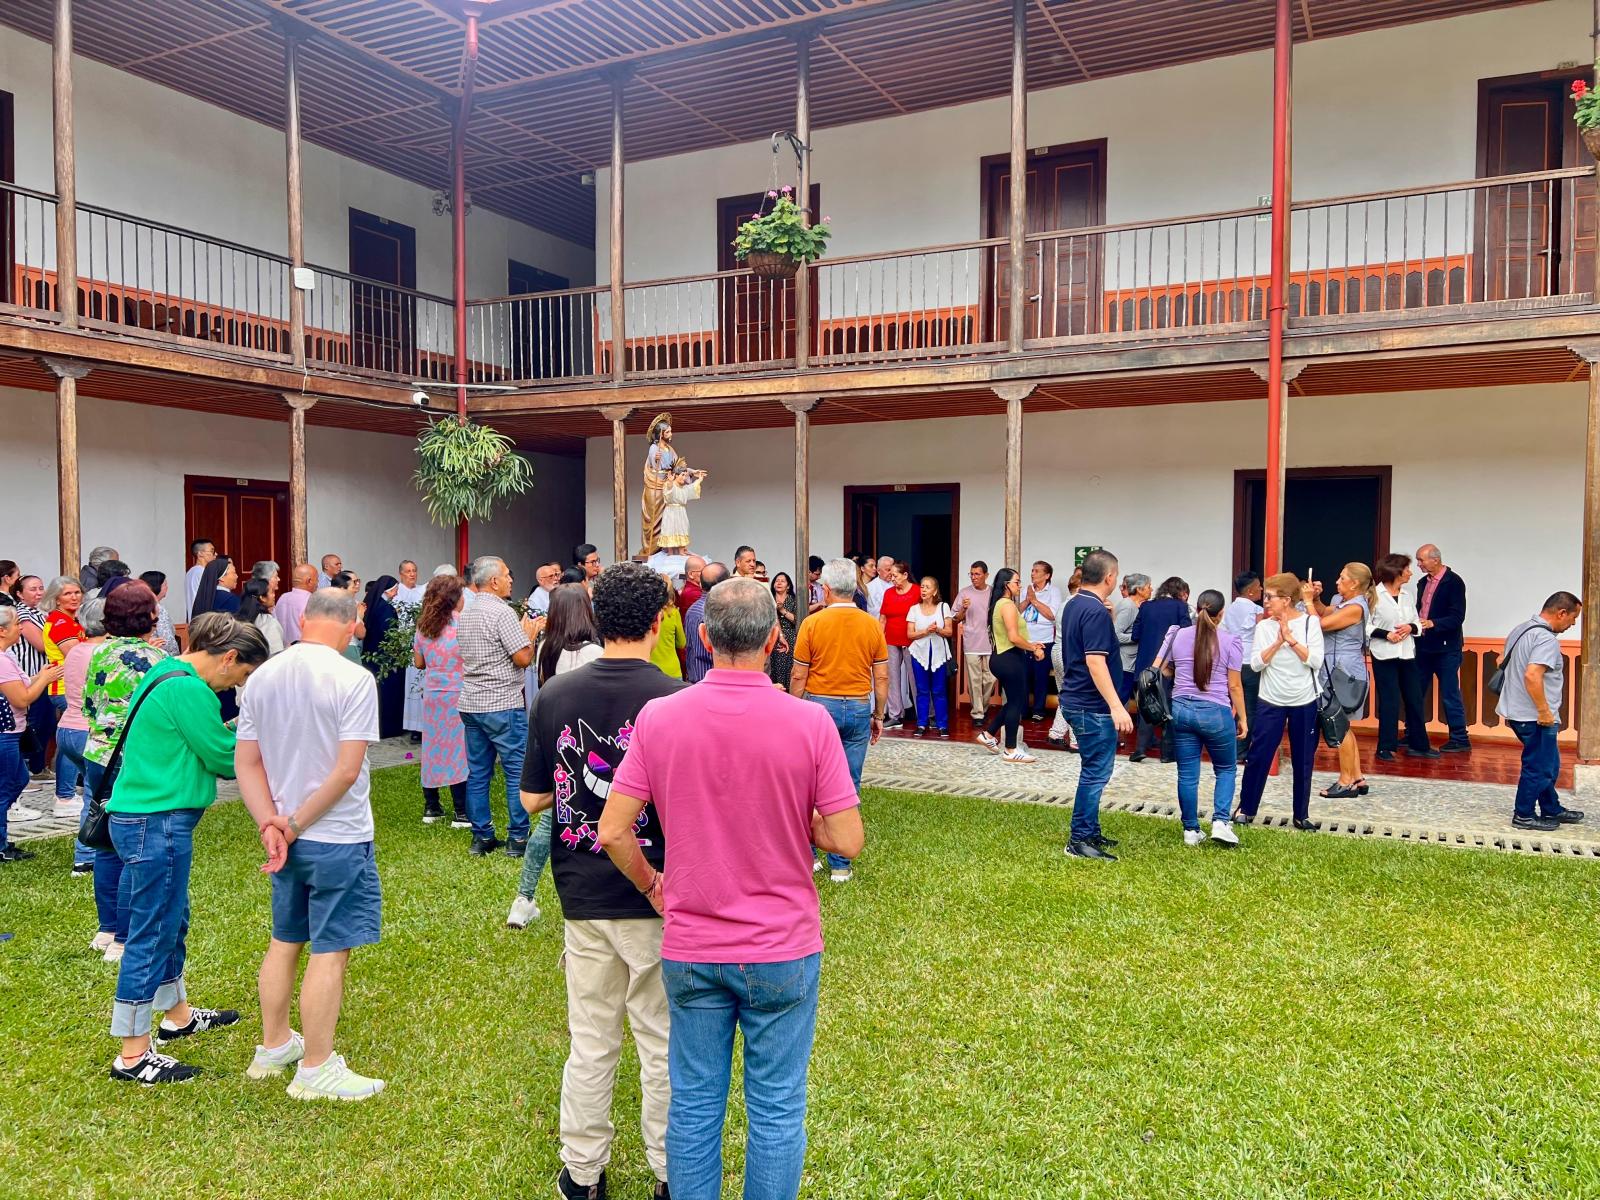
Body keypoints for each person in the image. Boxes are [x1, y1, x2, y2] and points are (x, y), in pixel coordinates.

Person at [600, 577, 864, 1200]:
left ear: (703, 636)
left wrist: (652, 885)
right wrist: (799, 818)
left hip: (692, 943)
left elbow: (612, 830)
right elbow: (848, 839)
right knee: (776, 1106)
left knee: (694, 1104)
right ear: (775, 640)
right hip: (782, 945)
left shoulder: (661, 716)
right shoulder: (809, 722)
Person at [519, 563, 684, 1199]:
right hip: (660, 890)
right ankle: (671, 1172)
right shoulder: (678, 699)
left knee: (591, 1041)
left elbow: (532, 798)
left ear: (595, 616)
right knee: (662, 1041)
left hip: (583, 893)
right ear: (659, 620)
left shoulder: (555, 695)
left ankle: (583, 1173)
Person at [106, 612, 269, 1086]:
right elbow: (224, 757)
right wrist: (264, 733)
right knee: (153, 930)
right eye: (242, 675)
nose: (236, 686)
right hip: (157, 821)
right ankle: (133, 1054)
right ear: (230, 657)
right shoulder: (191, 690)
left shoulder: (166, 669)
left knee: (171, 919)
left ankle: (177, 1016)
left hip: (144, 818)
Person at [236, 587, 386, 1101]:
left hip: (286, 836)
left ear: (304, 621)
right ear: (350, 624)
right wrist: (293, 823)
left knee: (285, 940)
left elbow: (246, 762)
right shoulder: (353, 677)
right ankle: (316, 1066)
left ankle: (274, 1044)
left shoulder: (264, 675)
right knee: (331, 949)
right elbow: (346, 771)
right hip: (336, 835)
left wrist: (270, 824)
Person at [82, 581, 170, 961]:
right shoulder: (155, 659)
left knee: (107, 842)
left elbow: (89, 703)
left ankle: (105, 930)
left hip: (97, 752)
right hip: (133, 757)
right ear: (148, 616)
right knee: (135, 845)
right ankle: (122, 937)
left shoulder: (99, 651)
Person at [790, 558, 889, 885]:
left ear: (827, 589)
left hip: (820, 706)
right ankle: (841, 864)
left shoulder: (812, 623)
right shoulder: (871, 625)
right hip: (859, 705)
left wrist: (794, 709)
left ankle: (809, 856)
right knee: (848, 783)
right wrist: (878, 714)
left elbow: (799, 674)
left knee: (808, 782)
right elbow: (881, 677)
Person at [456, 556, 541, 857]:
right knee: (515, 770)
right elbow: (522, 658)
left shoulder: (465, 611)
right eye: (507, 575)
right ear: (494, 581)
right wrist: (530, 636)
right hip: (502, 702)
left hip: (471, 701)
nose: (511, 579)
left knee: (478, 773)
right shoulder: (502, 612)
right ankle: (518, 839)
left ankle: (482, 837)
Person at [1056, 551, 1133, 858]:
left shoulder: (1075, 603)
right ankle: (1079, 839)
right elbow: (1095, 662)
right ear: (1109, 577)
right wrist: (1116, 706)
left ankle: (1090, 831)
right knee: (1096, 773)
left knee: (1094, 770)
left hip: (1077, 698)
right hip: (1092, 704)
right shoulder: (1094, 610)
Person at [1234, 573, 1325, 832]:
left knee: (1303, 759)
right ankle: (1246, 808)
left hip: (1304, 700)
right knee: (1258, 755)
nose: (1265, 601)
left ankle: (1301, 814)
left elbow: (1315, 661)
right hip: (1271, 700)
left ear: (1286, 600)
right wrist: (1277, 642)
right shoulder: (1264, 627)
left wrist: (1291, 639)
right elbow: (1255, 664)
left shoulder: (1310, 623)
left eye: (1270, 597)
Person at [1162, 590, 1245, 847]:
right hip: (1216, 711)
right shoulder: (1231, 641)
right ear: (1221, 614)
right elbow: (1234, 686)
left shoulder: (1178, 635)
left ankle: (1190, 830)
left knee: (1187, 774)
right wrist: (1243, 717)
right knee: (1226, 768)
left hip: (1181, 709)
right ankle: (1220, 822)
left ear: (1197, 609)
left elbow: (1164, 668)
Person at [1497, 592, 1585, 832]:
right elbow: (1532, 675)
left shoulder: (1521, 629)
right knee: (1539, 767)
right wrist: (1544, 711)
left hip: (1517, 711)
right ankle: (1523, 815)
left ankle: (1551, 808)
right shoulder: (1546, 639)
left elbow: (1500, 660)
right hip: (1534, 716)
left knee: (1548, 763)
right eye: (1573, 618)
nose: (1573, 624)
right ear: (1562, 613)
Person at [0, 607, 64, 865]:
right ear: (2, 631)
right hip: (5, 733)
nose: (21, 627)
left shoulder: (8, 656)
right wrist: (45, 679)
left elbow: (22, 685)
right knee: (6, 786)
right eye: (17, 623)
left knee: (18, 780)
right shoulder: (2, 661)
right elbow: (22, 698)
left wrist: (40, 676)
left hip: (13, 731)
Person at [1309, 563, 1376, 799]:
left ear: (1354, 583)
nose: (1337, 581)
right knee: (1343, 725)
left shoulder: (1356, 607)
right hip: (1336, 669)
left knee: (1339, 726)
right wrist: (1316, 600)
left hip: (1344, 672)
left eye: (1342, 578)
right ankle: (1357, 777)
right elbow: (1325, 612)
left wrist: (1306, 601)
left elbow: (1319, 624)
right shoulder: (1342, 602)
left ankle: (1346, 781)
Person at [413, 575, 471, 826]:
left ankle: (432, 806)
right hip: (458, 692)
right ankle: (461, 811)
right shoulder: (463, 624)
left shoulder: (423, 626)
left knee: (432, 748)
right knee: (459, 751)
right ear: (454, 598)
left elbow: (419, 662)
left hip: (433, 693)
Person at [976, 568, 1048, 765]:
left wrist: (1031, 644)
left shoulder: (1000, 604)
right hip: (1009, 659)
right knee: (1017, 703)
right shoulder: (1007, 605)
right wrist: (1034, 648)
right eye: (1017, 582)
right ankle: (1010, 749)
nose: (1020, 586)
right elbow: (1014, 637)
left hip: (1004, 657)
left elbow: (1014, 637)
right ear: (1006, 584)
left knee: (1014, 701)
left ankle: (988, 735)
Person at [57, 598, 106, 876]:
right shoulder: (103, 653)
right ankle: (86, 857)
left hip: (67, 729)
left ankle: (88, 854)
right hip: (88, 730)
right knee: (95, 795)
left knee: (93, 791)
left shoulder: (76, 649)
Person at [1370, 554, 1434, 764]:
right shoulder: (1374, 595)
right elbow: (1365, 626)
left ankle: (1420, 745)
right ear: (1395, 571)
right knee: (1389, 701)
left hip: (1407, 653)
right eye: (1406, 569)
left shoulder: (1407, 594)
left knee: (1415, 699)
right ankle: (1385, 747)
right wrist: (1386, 634)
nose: (1410, 572)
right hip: (1384, 654)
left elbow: (1416, 622)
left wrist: (1410, 627)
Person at [1413, 543, 1471, 753]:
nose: (1418, 564)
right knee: (1415, 691)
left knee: (1450, 694)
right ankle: (1413, 734)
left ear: (1435, 560)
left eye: (1421, 560)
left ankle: (1460, 738)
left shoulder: (1454, 582)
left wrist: (1433, 623)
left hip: (1447, 649)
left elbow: (1457, 617)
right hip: (1423, 646)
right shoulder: (1422, 582)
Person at [1128, 577, 1191, 763]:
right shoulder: (1180, 607)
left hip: (1145, 663)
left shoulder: (1146, 606)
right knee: (1167, 705)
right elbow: (1187, 634)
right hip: (1168, 665)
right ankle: (1166, 753)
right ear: (1180, 591)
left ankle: (1140, 748)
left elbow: (1135, 634)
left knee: (1147, 704)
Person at [1220, 571, 1263, 763]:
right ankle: (1242, 751)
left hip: (1232, 661)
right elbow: (1262, 633)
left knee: (1232, 705)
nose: (1261, 589)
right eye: (1259, 586)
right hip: (1250, 662)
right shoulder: (1256, 610)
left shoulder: (1229, 609)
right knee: (1250, 709)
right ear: (1251, 591)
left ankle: (1227, 746)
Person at [358, 575, 405, 740]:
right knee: (388, 693)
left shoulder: (372, 605)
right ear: (388, 590)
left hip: (371, 654)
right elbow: (388, 634)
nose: (396, 593)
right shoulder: (386, 608)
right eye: (395, 590)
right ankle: (389, 727)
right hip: (386, 657)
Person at [907, 576, 953, 738]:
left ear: (934, 591)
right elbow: (910, 634)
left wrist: (937, 630)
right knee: (922, 690)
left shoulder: (943, 607)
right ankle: (921, 724)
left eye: (927, 587)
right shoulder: (914, 609)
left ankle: (942, 725)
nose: (923, 590)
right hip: (919, 653)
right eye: (922, 586)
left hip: (938, 653)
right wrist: (926, 631)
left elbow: (949, 631)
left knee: (939, 690)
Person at [952, 561, 994, 722]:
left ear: (986, 575)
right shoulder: (964, 593)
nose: (974, 577)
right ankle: (978, 713)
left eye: (977, 574)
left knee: (990, 678)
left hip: (990, 642)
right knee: (974, 680)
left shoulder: (993, 592)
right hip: (972, 642)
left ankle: (983, 707)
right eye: (971, 574)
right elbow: (955, 618)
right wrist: (964, 608)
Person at [1020, 561, 1062, 721]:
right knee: (1023, 677)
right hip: (1025, 641)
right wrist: (1027, 599)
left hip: (1044, 641)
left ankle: (1038, 710)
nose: (1032, 574)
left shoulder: (1053, 591)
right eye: (1032, 570)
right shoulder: (1026, 590)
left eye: (1037, 571)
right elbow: (1017, 612)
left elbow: (1052, 615)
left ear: (1047, 575)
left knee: (1040, 677)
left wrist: (1034, 600)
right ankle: (1023, 710)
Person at [878, 561, 917, 727]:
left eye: (895, 575)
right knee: (892, 678)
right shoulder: (888, 593)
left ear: (905, 575)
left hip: (912, 640)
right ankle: (895, 715)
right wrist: (878, 640)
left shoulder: (917, 591)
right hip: (891, 640)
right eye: (890, 575)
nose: (892, 578)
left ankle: (925, 714)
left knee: (916, 678)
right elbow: (882, 619)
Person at [682, 562, 728, 684]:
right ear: (725, 585)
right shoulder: (717, 612)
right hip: (712, 680)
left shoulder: (692, 609)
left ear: (701, 583)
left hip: (694, 677)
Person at [1113, 573, 1151, 700]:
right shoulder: (1128, 606)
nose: (1151, 589)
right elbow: (1115, 635)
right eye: (1148, 586)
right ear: (1139, 589)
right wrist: (1136, 637)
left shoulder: (1135, 606)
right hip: (1123, 664)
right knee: (1120, 700)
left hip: (1129, 664)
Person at [660, 464, 707, 552]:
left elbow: (691, 488)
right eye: (682, 475)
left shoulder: (684, 488)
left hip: (681, 511)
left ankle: (681, 551)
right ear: (676, 475)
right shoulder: (669, 484)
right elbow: (668, 494)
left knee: (683, 528)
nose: (684, 478)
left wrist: (699, 480)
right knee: (670, 528)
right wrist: (670, 483)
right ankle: (670, 552)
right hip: (671, 511)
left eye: (685, 475)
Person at [767, 572, 801, 690]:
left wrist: (782, 610)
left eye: (782, 581)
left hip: (790, 637)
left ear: (788, 586)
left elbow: (798, 621)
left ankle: (786, 692)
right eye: (777, 581)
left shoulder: (793, 600)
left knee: (788, 669)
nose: (779, 583)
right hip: (771, 637)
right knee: (771, 668)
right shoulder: (768, 599)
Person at [238, 578, 285, 656]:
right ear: (262, 598)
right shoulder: (269, 623)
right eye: (272, 592)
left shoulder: (238, 620)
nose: (274, 595)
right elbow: (276, 655)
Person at [273, 564, 317, 646]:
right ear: (309, 581)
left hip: (283, 649)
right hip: (304, 648)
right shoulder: (312, 600)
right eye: (317, 580)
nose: (317, 583)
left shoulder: (283, 597)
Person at [650, 578, 686, 679]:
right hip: (672, 670)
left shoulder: (645, 613)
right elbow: (681, 643)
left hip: (650, 670)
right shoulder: (673, 613)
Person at [139, 572, 181, 656]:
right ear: (156, 587)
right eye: (165, 585)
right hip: (160, 655)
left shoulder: (140, 605)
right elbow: (167, 641)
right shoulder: (157, 609)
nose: (167, 587)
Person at [184, 538, 216, 618]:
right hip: (202, 618)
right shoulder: (202, 572)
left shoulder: (190, 572)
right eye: (212, 551)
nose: (215, 554)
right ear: (200, 553)